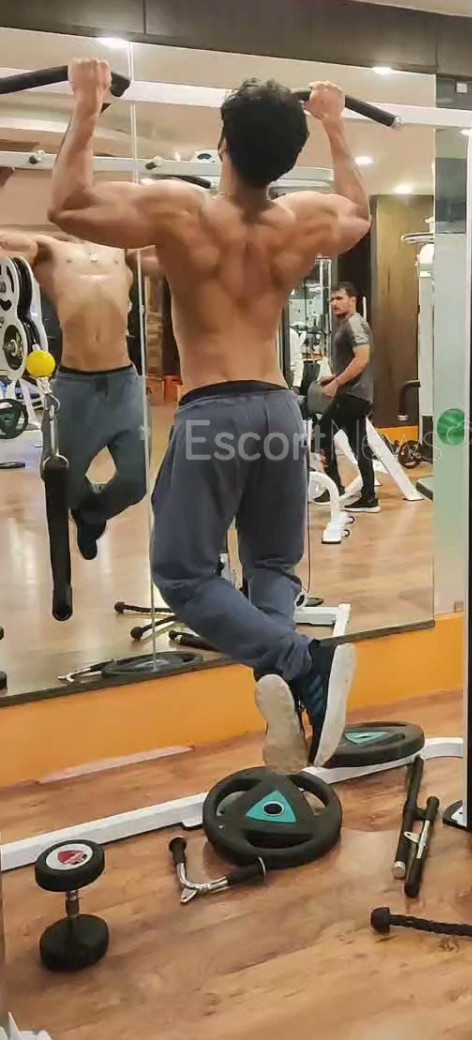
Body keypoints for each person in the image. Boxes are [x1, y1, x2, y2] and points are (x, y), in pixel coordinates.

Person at [47, 63, 372, 771]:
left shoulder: (182, 210)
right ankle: (290, 689)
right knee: (273, 565)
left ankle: (301, 660)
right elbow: (358, 213)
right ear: (286, 158)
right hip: (279, 411)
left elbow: (67, 204)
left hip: (215, 413)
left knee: (183, 574)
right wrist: (335, 123)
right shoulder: (304, 218)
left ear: (223, 145)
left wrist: (87, 101)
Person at [0, 173, 156, 559]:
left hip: (124, 384)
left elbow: (180, 250)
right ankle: (85, 508)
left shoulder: (125, 252)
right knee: (60, 481)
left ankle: (92, 513)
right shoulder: (49, 250)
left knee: (135, 482)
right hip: (74, 387)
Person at [319, 282, 379, 513]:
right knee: (359, 445)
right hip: (356, 394)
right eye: (332, 299)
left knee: (320, 433)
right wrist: (335, 377)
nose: (334, 303)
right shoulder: (348, 324)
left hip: (353, 395)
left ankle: (334, 486)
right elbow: (354, 361)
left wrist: (337, 383)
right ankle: (369, 498)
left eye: (339, 298)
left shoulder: (354, 324)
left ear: (352, 300)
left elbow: (362, 359)